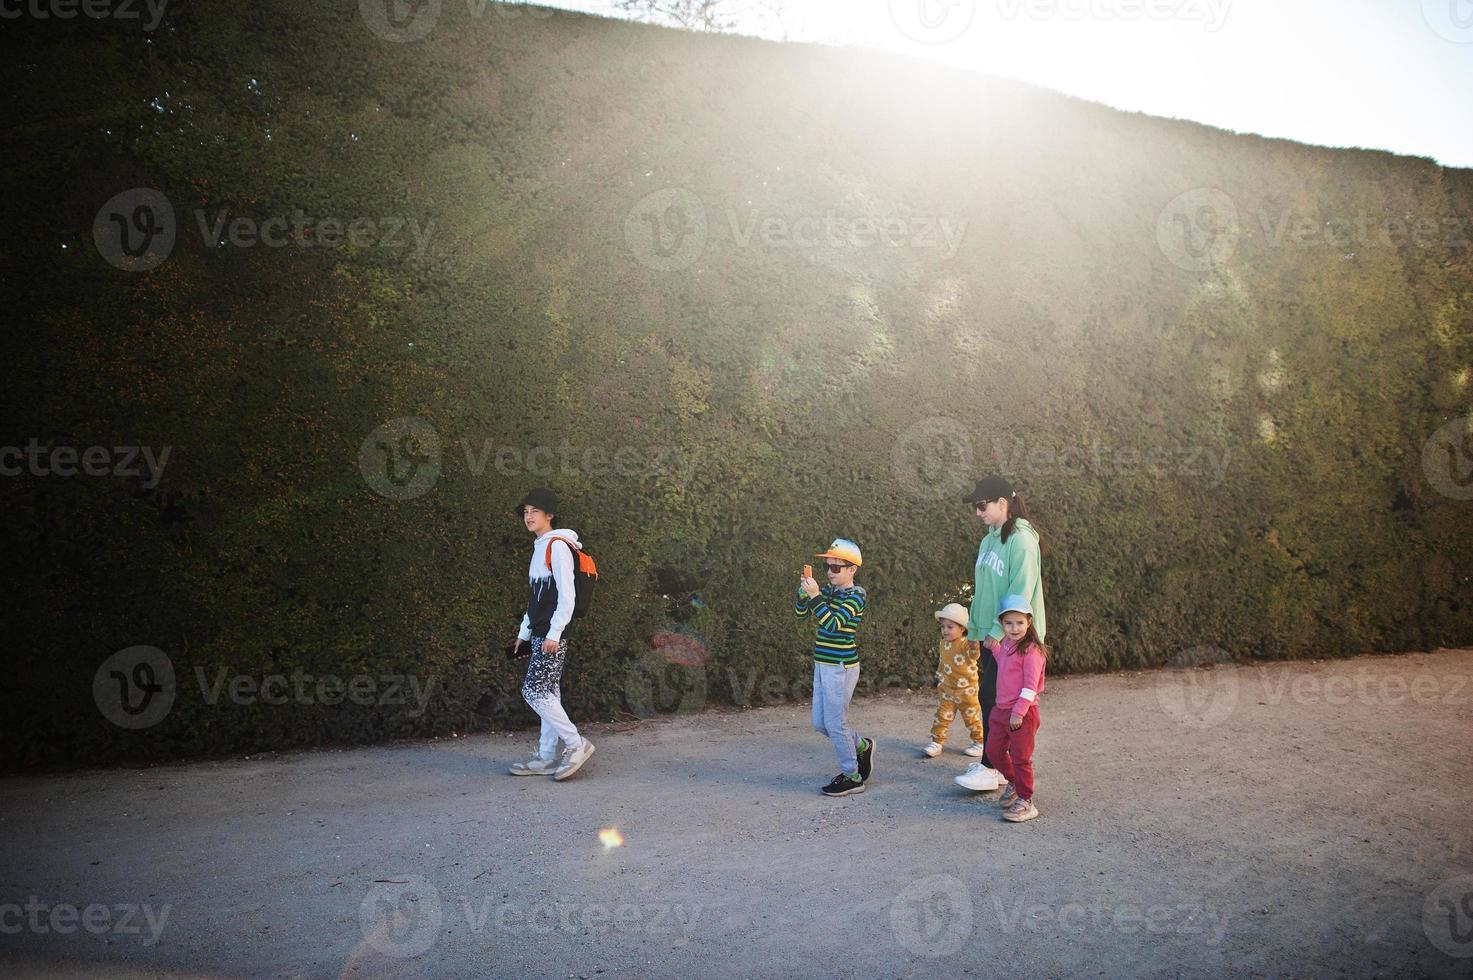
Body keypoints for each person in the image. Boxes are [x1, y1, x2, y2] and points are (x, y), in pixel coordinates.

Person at [955, 475, 1046, 794]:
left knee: (998, 700)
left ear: (1002, 504)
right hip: (994, 637)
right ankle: (995, 763)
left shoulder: (1022, 539)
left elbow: (1020, 590)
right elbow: (984, 592)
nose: (977, 512)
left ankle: (992, 767)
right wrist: (977, 632)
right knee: (991, 698)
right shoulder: (989, 540)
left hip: (1014, 638)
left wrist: (997, 631)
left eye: (982, 506)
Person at [507, 487, 595, 781]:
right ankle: (546, 756)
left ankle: (575, 743)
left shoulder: (557, 546)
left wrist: (554, 633)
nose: (528, 516)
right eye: (526, 512)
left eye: (535, 512)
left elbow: (567, 596)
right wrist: (523, 632)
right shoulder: (540, 546)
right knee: (549, 691)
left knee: (534, 691)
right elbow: (536, 598)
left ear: (550, 515)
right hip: (540, 632)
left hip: (551, 633)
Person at [795, 538, 874, 797]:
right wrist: (803, 596)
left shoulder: (856, 595)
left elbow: (832, 625)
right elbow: (801, 615)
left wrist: (815, 595)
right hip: (823, 664)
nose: (830, 572)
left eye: (836, 568)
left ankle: (852, 776)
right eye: (828, 567)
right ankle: (861, 746)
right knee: (820, 723)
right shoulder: (829, 591)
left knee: (835, 723)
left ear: (852, 569)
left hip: (841, 667)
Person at [988, 595, 1046, 822]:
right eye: (1009, 623)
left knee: (1021, 757)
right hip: (1001, 710)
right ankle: (1013, 782)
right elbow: (1003, 659)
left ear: (1029, 623)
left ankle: (1026, 800)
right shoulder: (1007, 644)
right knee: (993, 751)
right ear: (1001, 623)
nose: (1014, 628)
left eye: (1020, 622)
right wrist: (992, 646)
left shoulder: (1032, 651)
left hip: (1022, 713)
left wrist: (1018, 712)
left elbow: (1030, 687)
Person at [921, 602, 987, 759]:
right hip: (947, 690)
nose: (945, 630)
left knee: (972, 719)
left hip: (967, 691)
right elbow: (943, 662)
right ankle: (937, 742)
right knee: (941, 716)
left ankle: (980, 743)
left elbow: (974, 655)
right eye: (943, 627)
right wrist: (940, 676)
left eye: (950, 627)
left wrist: (975, 645)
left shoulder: (966, 643)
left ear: (962, 629)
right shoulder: (943, 643)